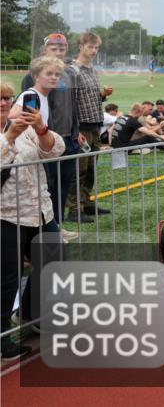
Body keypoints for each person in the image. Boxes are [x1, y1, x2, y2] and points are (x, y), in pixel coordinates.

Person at [1, 80, 65, 359]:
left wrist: (40, 128)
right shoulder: (13, 132)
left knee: (52, 266)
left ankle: (32, 316)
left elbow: (54, 150)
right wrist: (8, 138)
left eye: (7, 98)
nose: (4, 104)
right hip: (6, 216)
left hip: (40, 211)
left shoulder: (24, 127)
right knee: (7, 278)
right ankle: (2, 338)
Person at [20, 34, 86, 224]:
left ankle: (57, 225)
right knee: (47, 186)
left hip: (69, 140)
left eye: (62, 48)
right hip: (47, 140)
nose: (58, 52)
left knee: (63, 186)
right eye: (54, 48)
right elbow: (30, 110)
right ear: (45, 50)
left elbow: (73, 106)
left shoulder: (70, 73)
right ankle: (45, 227)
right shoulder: (32, 75)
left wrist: (77, 131)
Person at [66, 32, 113, 220]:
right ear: (80, 46)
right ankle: (74, 209)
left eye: (96, 48)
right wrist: (75, 130)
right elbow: (69, 102)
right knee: (80, 169)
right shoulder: (71, 71)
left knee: (91, 169)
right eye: (90, 47)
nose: (93, 51)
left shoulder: (92, 70)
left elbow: (90, 98)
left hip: (94, 124)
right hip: (81, 127)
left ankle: (86, 203)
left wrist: (103, 95)